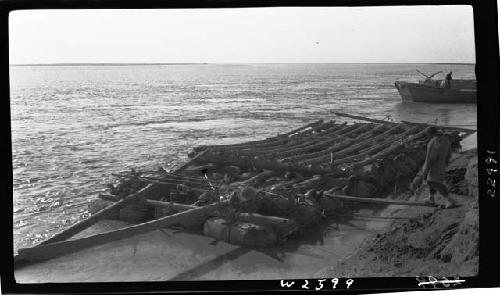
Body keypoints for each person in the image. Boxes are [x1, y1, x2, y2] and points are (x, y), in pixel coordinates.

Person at [411, 127, 458, 209]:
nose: (427, 136)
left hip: (435, 165)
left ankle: (450, 200)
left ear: (431, 133)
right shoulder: (445, 139)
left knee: (436, 183)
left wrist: (426, 169)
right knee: (430, 181)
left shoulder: (434, 142)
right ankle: (431, 198)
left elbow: (431, 158)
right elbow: (449, 153)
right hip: (441, 163)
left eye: (428, 134)